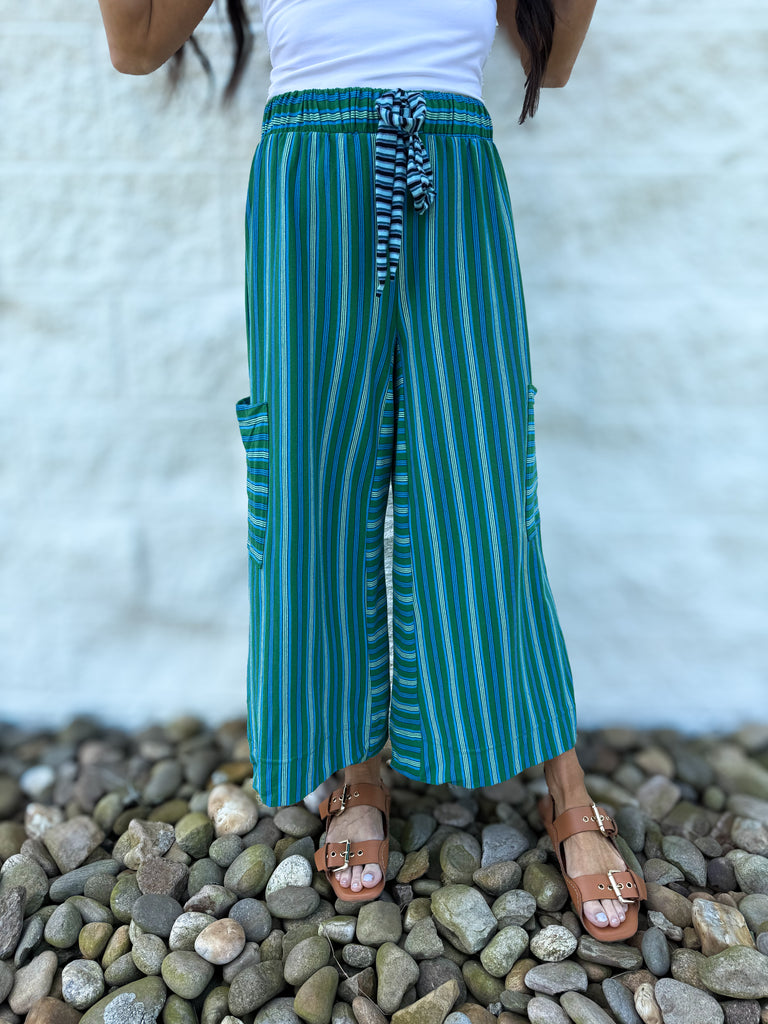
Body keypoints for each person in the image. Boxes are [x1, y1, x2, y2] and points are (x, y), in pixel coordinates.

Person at [97, 0, 647, 941]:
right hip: (309, 173)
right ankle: (356, 766)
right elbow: (137, 45)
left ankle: (563, 779)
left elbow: (550, 61)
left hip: (453, 164)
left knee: (483, 479)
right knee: (311, 482)